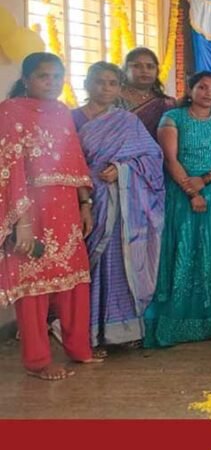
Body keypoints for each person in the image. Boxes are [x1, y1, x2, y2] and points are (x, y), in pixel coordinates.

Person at [0, 53, 99, 379]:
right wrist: (21, 224)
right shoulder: (10, 111)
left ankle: (79, 349)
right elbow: (9, 169)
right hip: (30, 208)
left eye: (58, 76)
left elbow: (75, 161)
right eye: (44, 76)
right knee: (35, 286)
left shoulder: (61, 112)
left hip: (66, 207)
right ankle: (38, 361)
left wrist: (84, 204)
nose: (53, 82)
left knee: (74, 279)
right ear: (26, 79)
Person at [144, 71, 211, 347]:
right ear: (190, 89)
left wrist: (207, 180)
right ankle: (176, 323)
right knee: (183, 249)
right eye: (202, 87)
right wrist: (191, 190)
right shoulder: (173, 118)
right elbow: (169, 160)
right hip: (181, 190)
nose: (209, 93)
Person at [73, 62, 165, 347]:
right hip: (81, 199)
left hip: (121, 200)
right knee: (83, 264)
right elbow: (64, 160)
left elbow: (152, 157)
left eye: (112, 83)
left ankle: (120, 333)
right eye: (100, 82)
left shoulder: (126, 121)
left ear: (119, 87)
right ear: (87, 84)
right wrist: (83, 194)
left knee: (118, 263)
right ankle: (83, 333)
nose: (106, 88)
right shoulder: (71, 118)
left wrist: (122, 169)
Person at [119, 47, 176, 142]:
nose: (144, 70)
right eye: (137, 66)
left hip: (157, 155)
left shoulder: (167, 104)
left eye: (150, 66)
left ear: (157, 71)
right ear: (125, 70)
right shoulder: (112, 100)